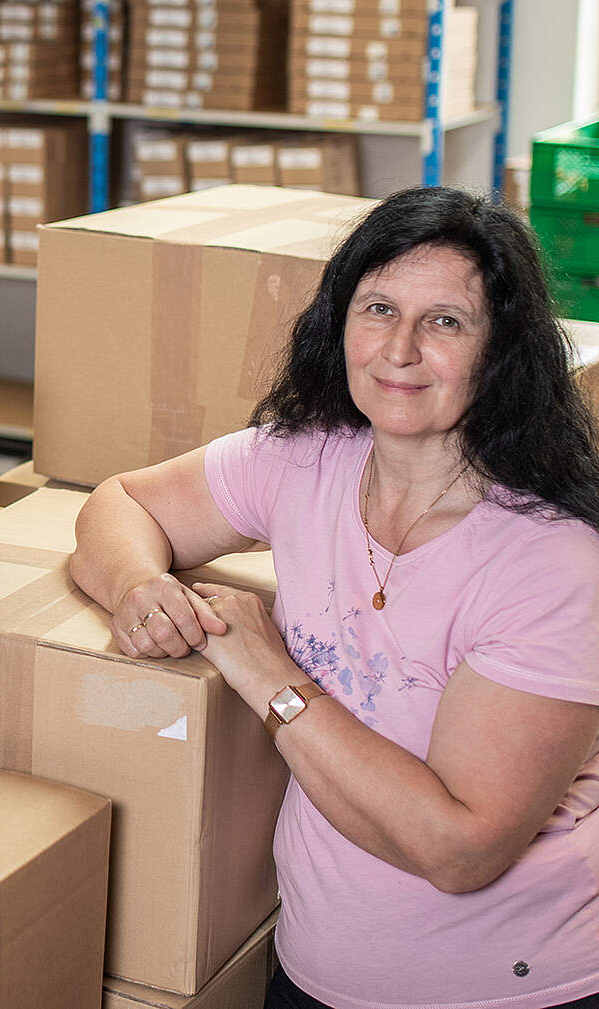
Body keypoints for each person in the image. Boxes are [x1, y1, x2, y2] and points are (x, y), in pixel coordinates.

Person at [67, 186, 599, 1009]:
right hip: (312, 974)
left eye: (445, 321)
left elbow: (460, 849)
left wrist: (271, 676)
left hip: (511, 994)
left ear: (503, 351)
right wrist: (140, 586)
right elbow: (120, 503)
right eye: (378, 308)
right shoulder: (304, 460)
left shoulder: (552, 561)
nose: (400, 349)